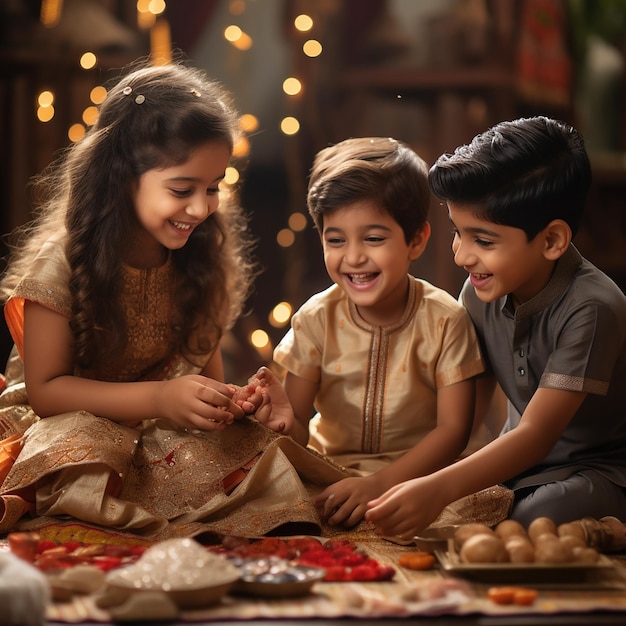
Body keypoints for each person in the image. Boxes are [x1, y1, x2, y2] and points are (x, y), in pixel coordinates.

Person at [0, 60, 346, 540]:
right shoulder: (63, 262)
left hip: (156, 435)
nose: (202, 208)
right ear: (121, 176)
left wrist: (236, 405)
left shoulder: (201, 259)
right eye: (182, 189)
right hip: (65, 429)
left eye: (212, 188)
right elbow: (45, 393)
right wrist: (161, 397)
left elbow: (205, 387)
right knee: (81, 451)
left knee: (253, 452)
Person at [365, 116, 626, 538]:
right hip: (517, 470)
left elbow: (537, 435)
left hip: (597, 472)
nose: (461, 257)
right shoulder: (479, 292)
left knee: (531, 519)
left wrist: (436, 490)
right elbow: (465, 417)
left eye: (483, 241)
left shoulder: (593, 307)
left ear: (552, 241)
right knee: (469, 507)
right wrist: (396, 478)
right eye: (458, 233)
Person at [265, 136, 488, 529]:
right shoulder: (315, 318)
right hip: (327, 472)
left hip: (417, 479)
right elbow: (297, 425)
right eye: (336, 240)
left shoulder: (445, 320)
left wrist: (378, 485)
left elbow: (453, 432)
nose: (353, 257)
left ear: (416, 240)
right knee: (262, 498)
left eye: (373, 238)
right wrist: (283, 423)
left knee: (473, 511)